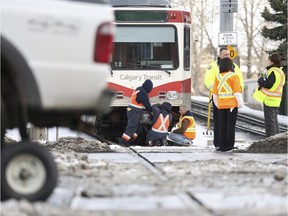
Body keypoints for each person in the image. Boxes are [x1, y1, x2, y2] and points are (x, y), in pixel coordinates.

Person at [204, 47, 244, 150]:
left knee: (222, 123)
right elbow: (208, 81)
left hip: (221, 100)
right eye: (225, 54)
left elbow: (240, 80)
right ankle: (220, 143)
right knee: (220, 123)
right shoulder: (212, 67)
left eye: (228, 55)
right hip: (226, 101)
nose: (227, 56)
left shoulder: (234, 67)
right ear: (219, 55)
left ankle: (223, 145)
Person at [253, 53, 285, 137]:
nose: (267, 61)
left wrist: (260, 80)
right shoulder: (280, 72)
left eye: (268, 60)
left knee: (270, 122)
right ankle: (277, 139)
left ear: (271, 61)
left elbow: (268, 84)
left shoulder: (273, 71)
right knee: (274, 121)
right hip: (276, 99)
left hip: (269, 100)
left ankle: (271, 140)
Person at [119, 79, 153, 147]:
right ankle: (124, 141)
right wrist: (151, 110)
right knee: (132, 126)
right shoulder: (143, 92)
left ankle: (130, 139)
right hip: (135, 111)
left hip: (132, 109)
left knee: (137, 127)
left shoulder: (139, 89)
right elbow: (147, 104)